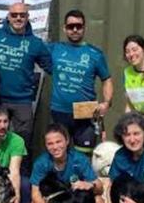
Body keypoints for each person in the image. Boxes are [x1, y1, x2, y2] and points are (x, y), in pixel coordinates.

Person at [0, 3, 52, 151]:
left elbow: (52, 67)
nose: (18, 18)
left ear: (28, 17)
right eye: (14, 15)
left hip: (23, 101)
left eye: (22, 15)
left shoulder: (36, 43)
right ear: (8, 17)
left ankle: (23, 172)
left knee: (22, 142)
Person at [48, 9, 113, 155]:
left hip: (85, 113)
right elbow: (31, 48)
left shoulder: (95, 53)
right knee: (59, 154)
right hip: (60, 111)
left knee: (83, 156)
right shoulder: (54, 49)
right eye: (71, 26)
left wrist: (107, 102)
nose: (75, 29)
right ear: (65, 28)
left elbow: (107, 80)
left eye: (79, 26)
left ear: (84, 28)